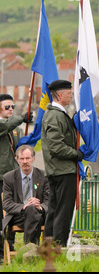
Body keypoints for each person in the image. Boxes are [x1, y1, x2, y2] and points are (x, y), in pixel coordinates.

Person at [41, 79, 83, 246]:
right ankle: (58, 246)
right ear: (59, 95)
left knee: (55, 210)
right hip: (62, 170)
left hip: (59, 169)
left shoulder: (58, 114)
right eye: (69, 92)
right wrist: (75, 154)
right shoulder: (54, 115)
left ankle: (49, 246)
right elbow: (56, 146)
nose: (72, 94)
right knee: (63, 211)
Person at [0, 93, 33, 258]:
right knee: (1, 215)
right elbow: (5, 125)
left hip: (14, 177)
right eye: (7, 107)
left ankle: (10, 246)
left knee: (13, 212)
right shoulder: (4, 125)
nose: (11, 109)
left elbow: (20, 146)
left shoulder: (15, 129)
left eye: (12, 106)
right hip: (1, 177)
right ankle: (1, 253)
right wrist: (22, 117)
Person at [2, 145, 49, 248]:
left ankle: (29, 249)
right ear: (17, 160)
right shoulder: (9, 178)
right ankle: (31, 250)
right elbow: (6, 203)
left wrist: (40, 207)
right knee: (30, 210)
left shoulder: (43, 176)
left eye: (28, 158)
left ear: (33, 158)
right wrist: (23, 207)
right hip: (18, 216)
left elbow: (49, 201)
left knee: (33, 210)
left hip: (38, 214)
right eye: (22, 159)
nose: (25, 161)